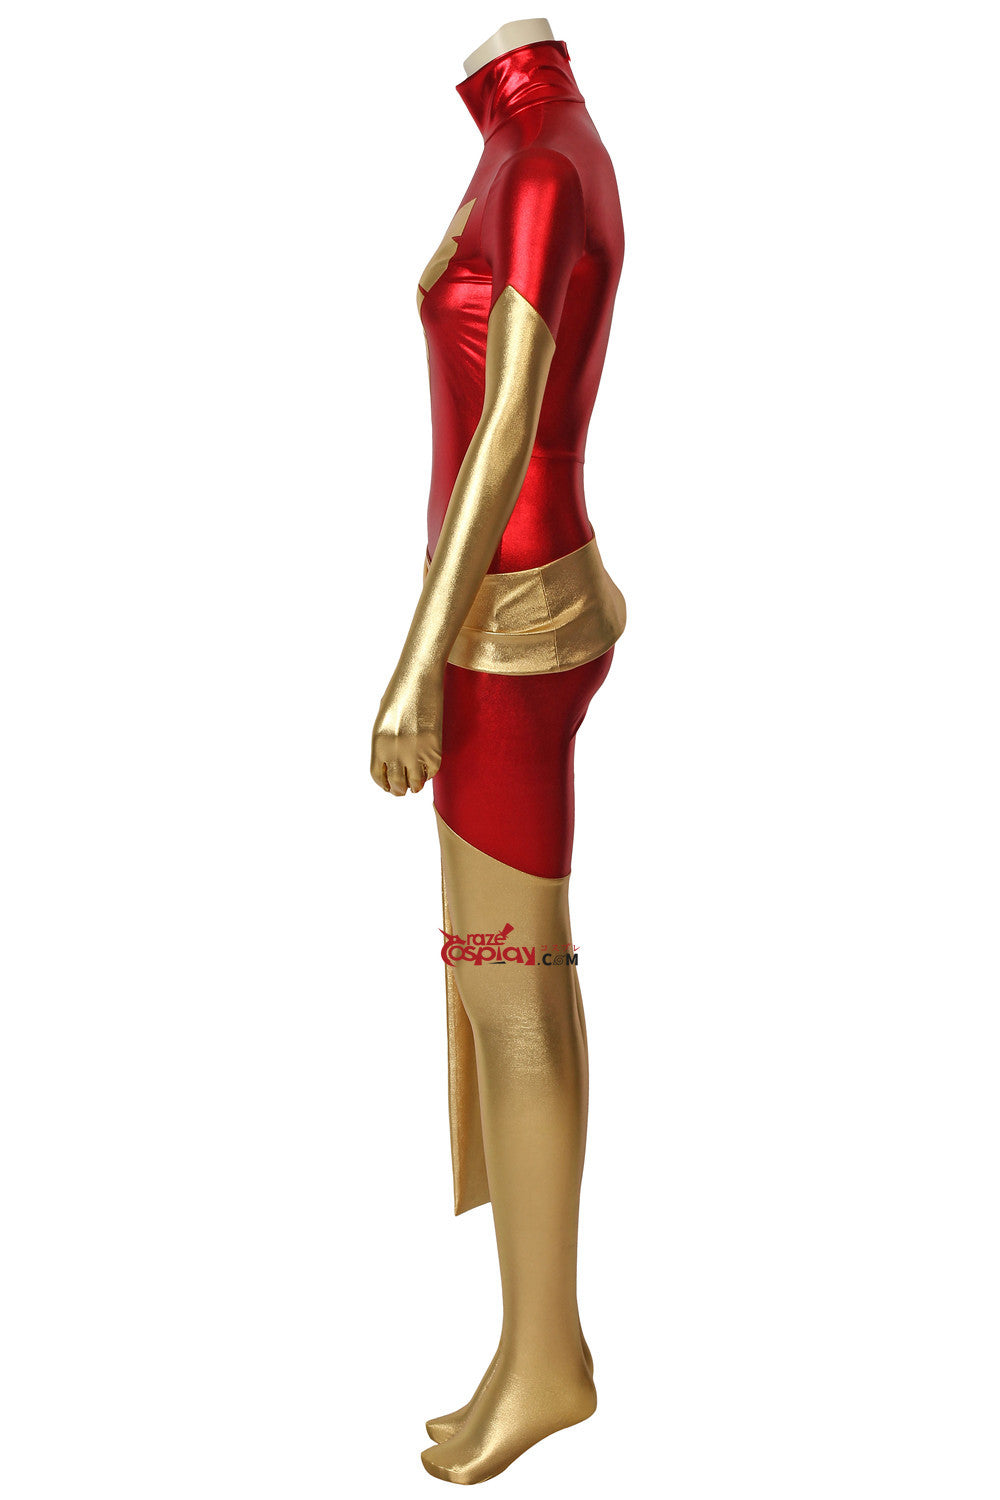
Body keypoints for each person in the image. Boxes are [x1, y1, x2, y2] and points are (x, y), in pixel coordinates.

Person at [369, 21, 627, 1483]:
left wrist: (417, 663)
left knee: (509, 987)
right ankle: (541, 1344)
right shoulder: (527, 143)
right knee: (509, 982)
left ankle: (544, 1361)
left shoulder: (539, 162)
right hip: (499, 609)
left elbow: (504, 429)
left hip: (505, 630)